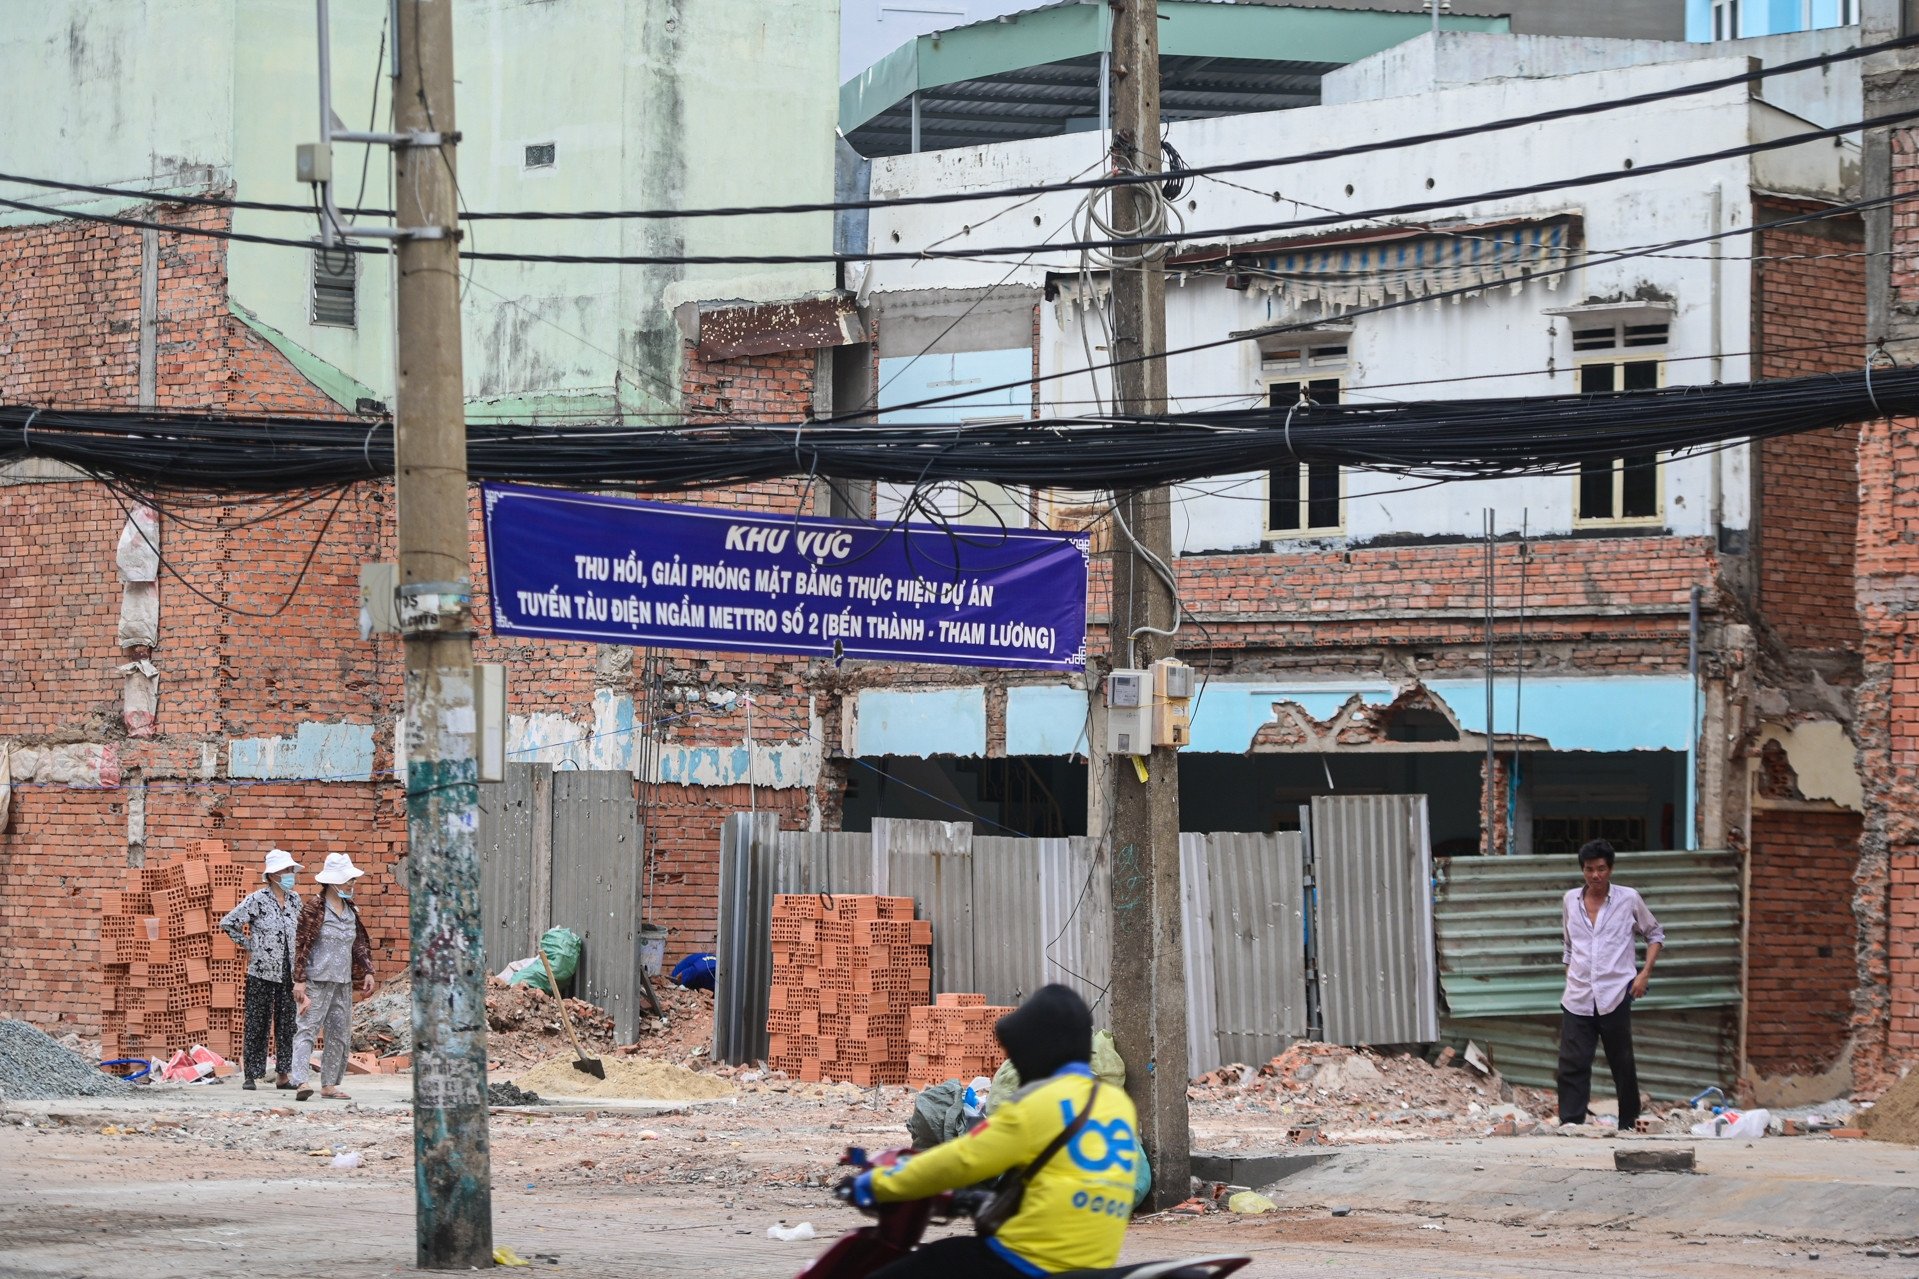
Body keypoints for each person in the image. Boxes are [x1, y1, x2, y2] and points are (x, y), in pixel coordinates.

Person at [848, 985, 1140, 1279]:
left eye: (1020, 1054)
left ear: (1040, 1051)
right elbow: (1064, 1178)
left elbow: (962, 1159)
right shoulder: (1116, 1103)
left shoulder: (1039, 1103)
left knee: (929, 1262)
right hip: (1091, 1264)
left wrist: (878, 1184)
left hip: (1029, 1261)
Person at [1557, 839, 1665, 1133]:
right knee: (1572, 1062)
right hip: (1578, 996)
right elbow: (1569, 947)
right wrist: (1571, 977)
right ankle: (1571, 1122)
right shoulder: (1570, 901)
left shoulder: (1628, 899)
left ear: (1611, 869)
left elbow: (1655, 934)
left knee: (1622, 1062)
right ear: (1582, 870)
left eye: (1601, 869)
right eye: (1590, 869)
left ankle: (1628, 1122)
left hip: (1616, 994)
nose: (1595, 876)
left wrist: (1644, 975)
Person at [289, 852, 375, 1102]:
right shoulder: (314, 909)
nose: (351, 884)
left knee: (339, 1033)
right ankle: (301, 1080)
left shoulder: (350, 910)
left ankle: (329, 1084)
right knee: (307, 1029)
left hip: (342, 982)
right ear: (333, 882)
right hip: (316, 980)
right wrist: (299, 979)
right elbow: (302, 945)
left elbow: (358, 943)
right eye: (348, 880)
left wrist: (367, 969)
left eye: (352, 880)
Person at [218, 848, 303, 1091]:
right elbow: (229, 922)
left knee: (287, 1024)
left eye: (291, 870)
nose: (290, 874)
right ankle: (251, 1075)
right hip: (261, 972)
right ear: (274, 874)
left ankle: (283, 1075)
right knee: (257, 1022)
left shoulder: (295, 900)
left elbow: (301, 932)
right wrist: (249, 945)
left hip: (288, 972)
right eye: (286, 870)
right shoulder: (257, 899)